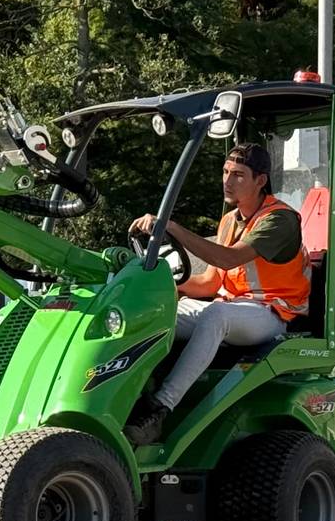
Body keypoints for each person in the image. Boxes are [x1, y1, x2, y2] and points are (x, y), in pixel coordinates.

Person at [123, 143, 309, 445]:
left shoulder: (280, 220)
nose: (227, 181)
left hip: (270, 313)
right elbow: (210, 284)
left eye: (237, 174)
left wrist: (171, 226)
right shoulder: (228, 221)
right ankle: (128, 395)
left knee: (216, 314)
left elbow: (228, 259)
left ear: (260, 181)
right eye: (224, 172)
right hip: (233, 308)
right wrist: (166, 289)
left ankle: (159, 408)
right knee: (160, 314)